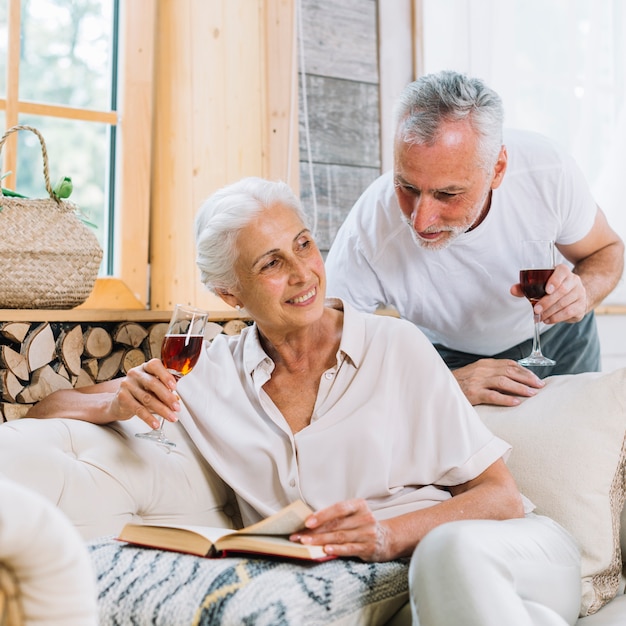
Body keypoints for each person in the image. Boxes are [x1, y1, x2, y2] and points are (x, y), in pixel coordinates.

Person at [27, 177, 582, 625]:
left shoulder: (396, 345)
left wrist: (387, 537)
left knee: (445, 557)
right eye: (270, 263)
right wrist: (116, 403)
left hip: (501, 553)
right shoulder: (208, 373)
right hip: (393, 590)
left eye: (303, 244)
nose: (302, 274)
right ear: (229, 294)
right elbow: (46, 412)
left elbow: (500, 499)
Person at [325, 70, 625, 407]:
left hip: (559, 339)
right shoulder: (367, 232)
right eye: (407, 187)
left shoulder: (548, 172)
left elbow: (607, 250)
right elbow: (326, 363)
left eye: (448, 193)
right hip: (445, 358)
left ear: (497, 170)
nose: (420, 220)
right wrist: (444, 383)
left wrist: (584, 294)